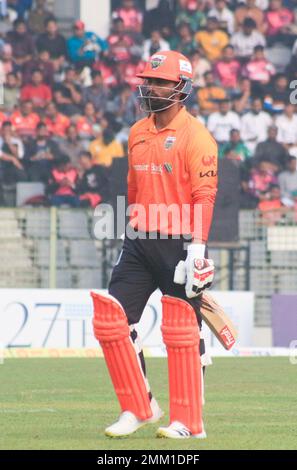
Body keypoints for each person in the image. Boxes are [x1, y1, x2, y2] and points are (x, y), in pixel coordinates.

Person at [91, 50, 217, 439]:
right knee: (113, 321)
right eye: (148, 80)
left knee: (183, 334)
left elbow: (204, 196)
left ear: (180, 88)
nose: (151, 87)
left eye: (160, 81)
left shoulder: (197, 136)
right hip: (140, 241)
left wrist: (197, 251)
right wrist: (131, 230)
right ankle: (138, 407)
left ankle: (189, 422)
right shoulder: (137, 131)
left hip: (180, 243)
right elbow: (133, 188)